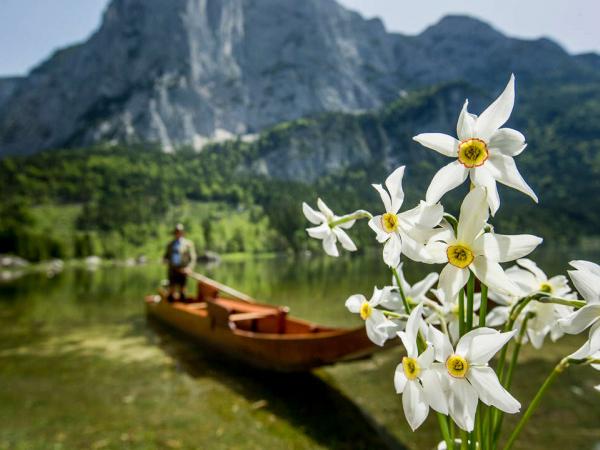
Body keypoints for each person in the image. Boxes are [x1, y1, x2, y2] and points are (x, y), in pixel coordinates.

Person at [163, 224, 197, 301]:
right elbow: (166, 256)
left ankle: (182, 307)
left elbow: (193, 258)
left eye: (180, 232)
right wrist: (165, 259)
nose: (178, 233)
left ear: (183, 233)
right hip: (172, 270)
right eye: (176, 232)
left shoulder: (188, 244)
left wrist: (189, 268)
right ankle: (170, 308)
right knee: (171, 293)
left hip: (183, 270)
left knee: (182, 292)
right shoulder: (170, 244)